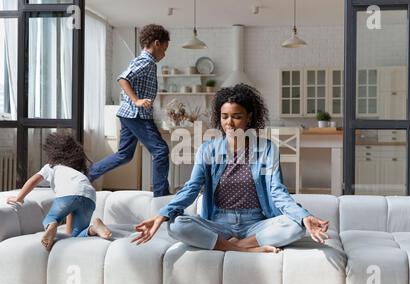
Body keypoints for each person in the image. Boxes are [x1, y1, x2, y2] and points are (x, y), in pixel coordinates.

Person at [131, 84, 329, 252]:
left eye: (237, 116)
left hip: (256, 223)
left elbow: (278, 192)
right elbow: (191, 188)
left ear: (249, 117)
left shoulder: (267, 148)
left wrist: (305, 217)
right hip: (218, 223)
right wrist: (162, 214)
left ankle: (234, 246)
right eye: (225, 116)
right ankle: (246, 250)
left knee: (296, 225)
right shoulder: (207, 149)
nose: (229, 123)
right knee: (175, 225)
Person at [88, 24, 171, 197]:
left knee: (124, 155)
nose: (164, 53)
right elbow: (123, 78)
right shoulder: (146, 62)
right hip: (136, 115)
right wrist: (137, 100)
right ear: (156, 43)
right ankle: (161, 196)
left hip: (129, 114)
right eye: (164, 48)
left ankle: (87, 175)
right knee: (161, 151)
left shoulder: (146, 62)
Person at [6, 132, 112, 251]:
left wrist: (19, 198)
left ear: (53, 152)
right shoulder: (77, 172)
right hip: (89, 196)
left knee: (51, 218)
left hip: (68, 195)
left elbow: (33, 181)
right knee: (76, 235)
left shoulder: (51, 167)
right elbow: (74, 205)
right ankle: (94, 228)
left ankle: (52, 224)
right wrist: (68, 232)